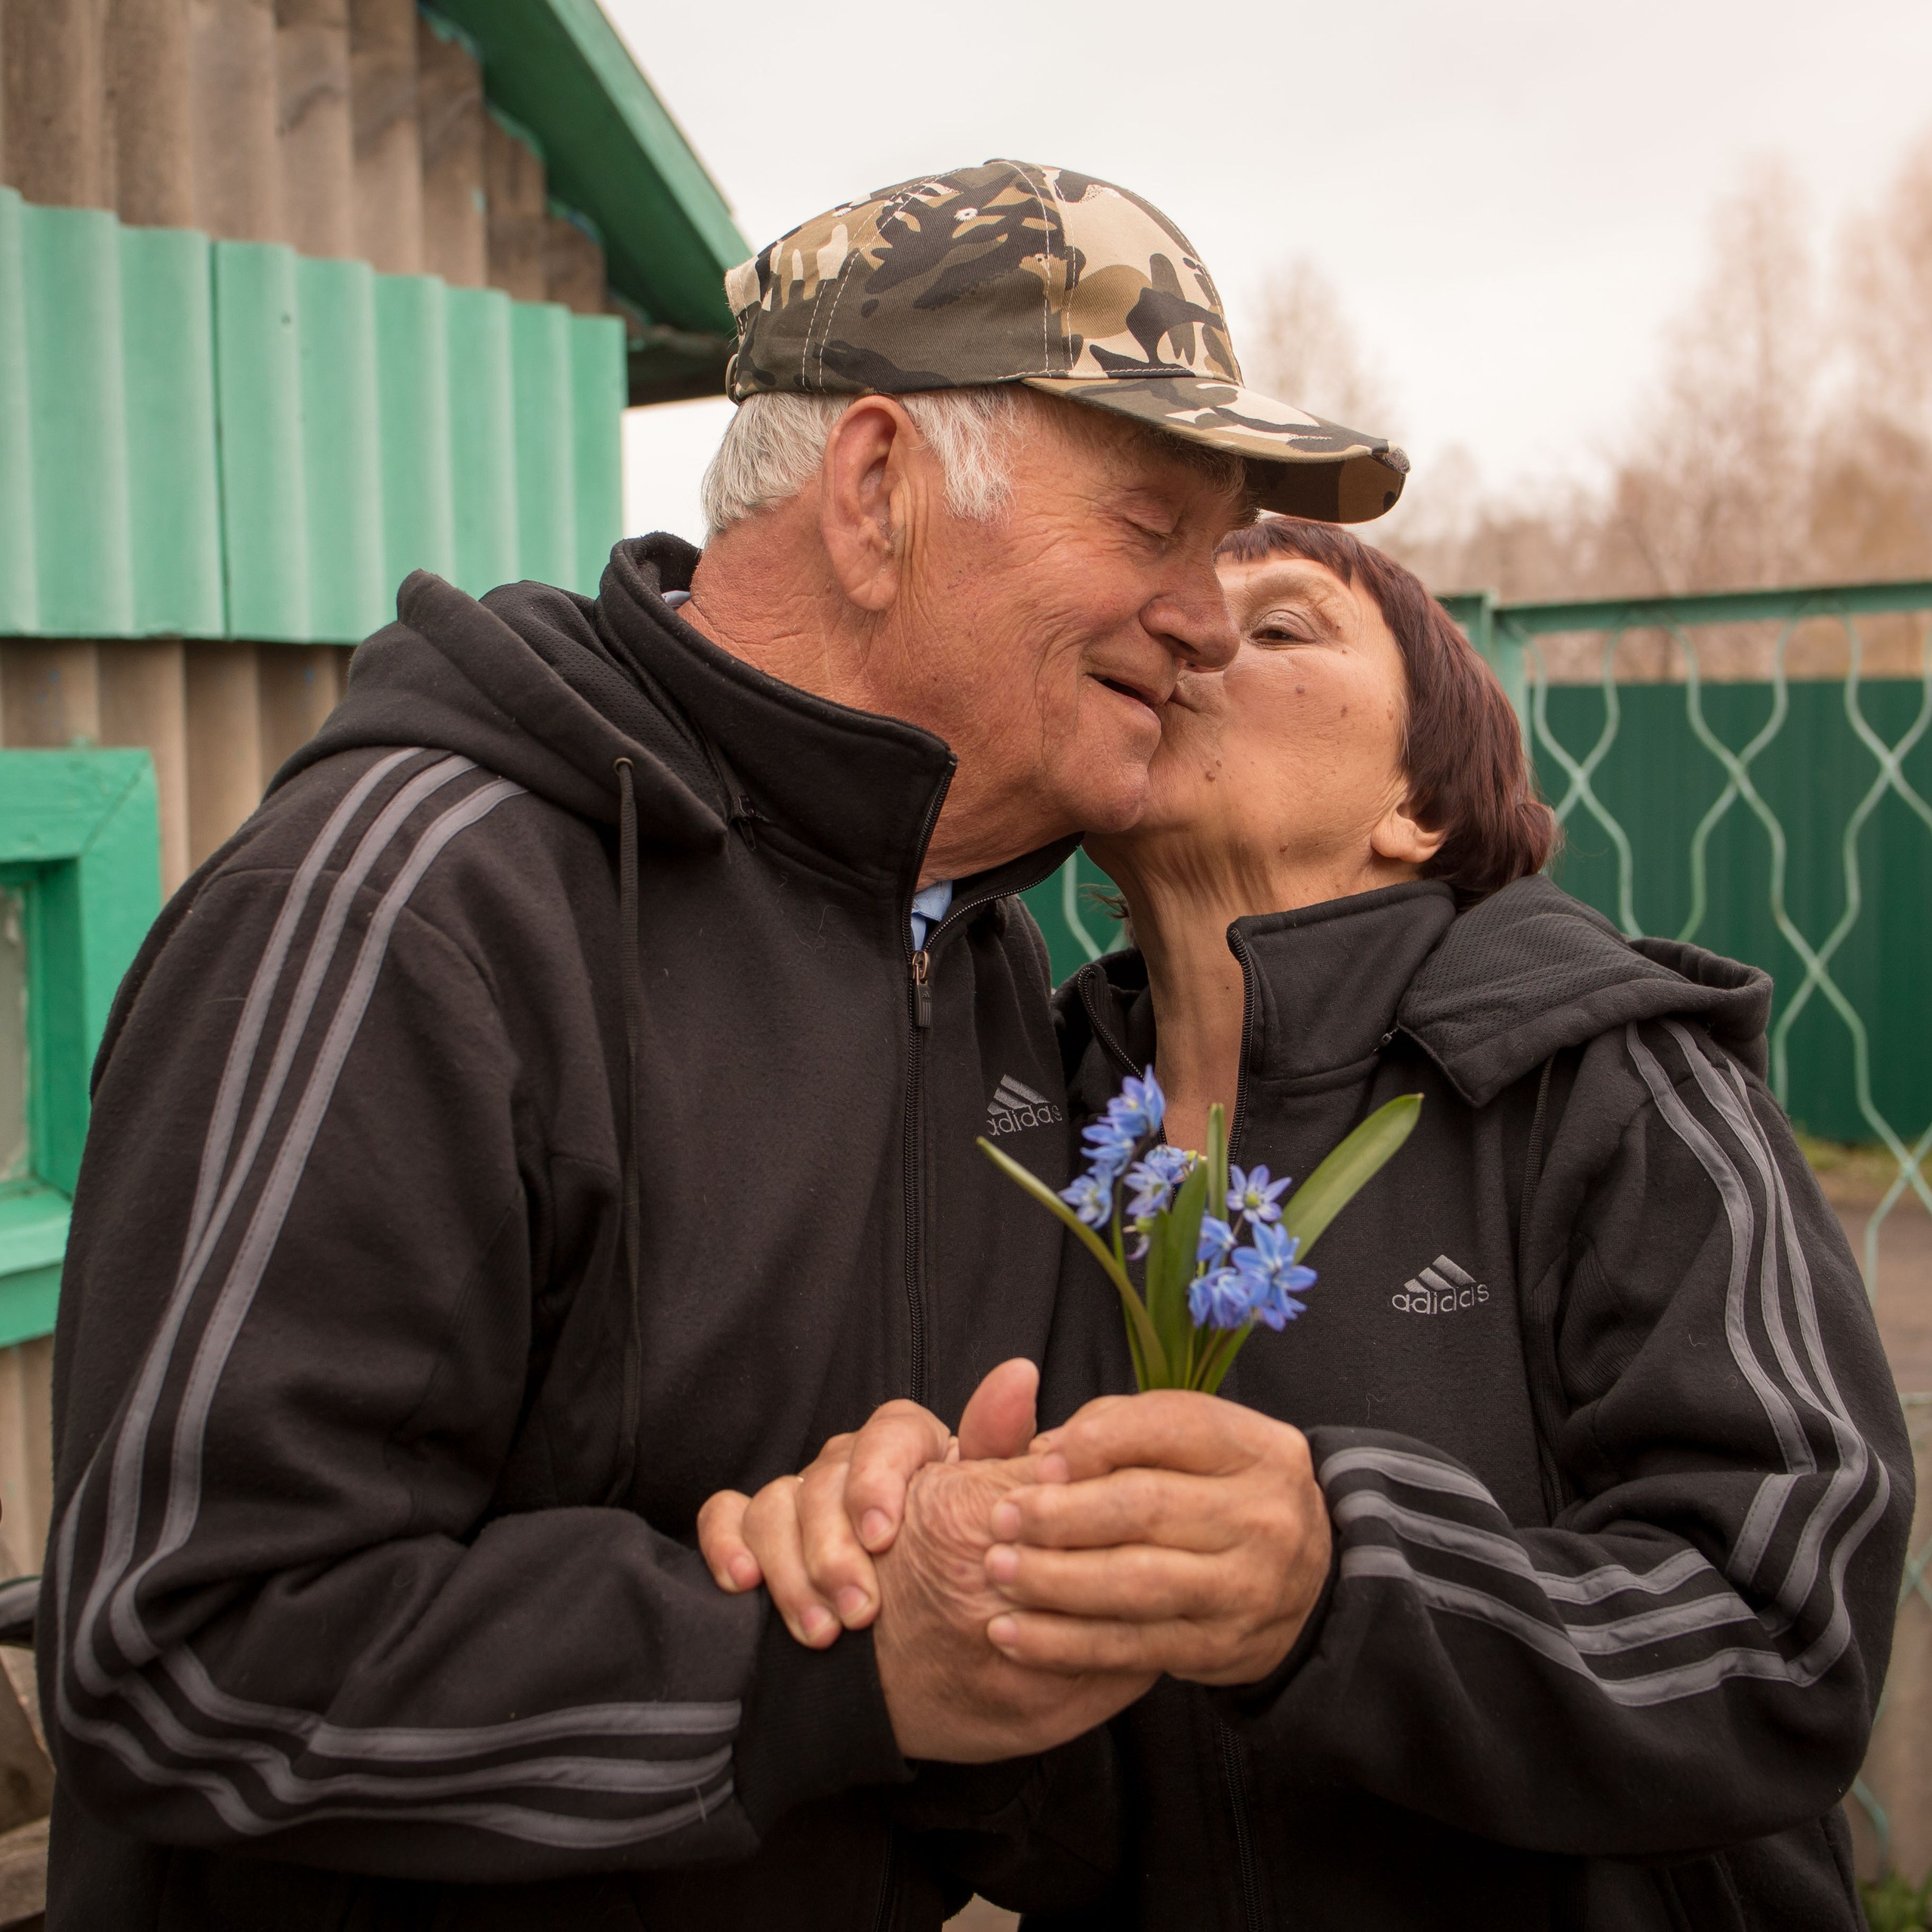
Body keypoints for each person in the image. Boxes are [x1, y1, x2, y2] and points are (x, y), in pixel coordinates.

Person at [37, 164, 1410, 1931]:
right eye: (1151, 527)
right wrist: (810, 1659)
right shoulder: (411, 909)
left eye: (1224, 556)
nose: (1208, 618)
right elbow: (178, 1646)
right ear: (876, 492)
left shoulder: (981, 960)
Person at [709, 514, 1914, 1928]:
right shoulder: (1020, 1126)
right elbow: (1064, 1820)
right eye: (1163, 608)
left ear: (1418, 808)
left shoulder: (1609, 1084)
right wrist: (916, 1606)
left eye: (1280, 626)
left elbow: (1788, 1638)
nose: (1194, 636)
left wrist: (1343, 1584)